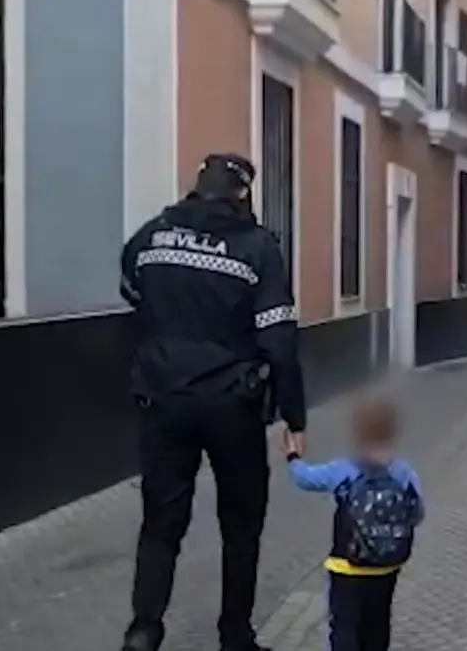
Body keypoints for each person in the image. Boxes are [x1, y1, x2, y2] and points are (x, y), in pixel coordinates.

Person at [118, 152, 307, 651]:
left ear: (198, 185)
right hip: (232, 404)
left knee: (161, 521)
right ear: (242, 192)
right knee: (241, 523)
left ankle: (143, 630)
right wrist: (295, 414)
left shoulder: (152, 235)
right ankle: (235, 636)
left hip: (163, 399)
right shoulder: (256, 248)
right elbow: (279, 339)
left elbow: (130, 289)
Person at [285, 394, 424, 651]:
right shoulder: (404, 472)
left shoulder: (344, 470)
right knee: (377, 628)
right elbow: (416, 514)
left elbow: (304, 479)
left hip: (348, 569)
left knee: (344, 630)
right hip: (386, 569)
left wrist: (292, 456)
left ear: (357, 433)